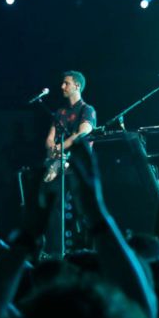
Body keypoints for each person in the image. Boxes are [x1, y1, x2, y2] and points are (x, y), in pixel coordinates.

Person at [41, 71, 96, 255]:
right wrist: (52, 147)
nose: (62, 87)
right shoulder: (60, 112)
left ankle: (89, 250)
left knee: (83, 210)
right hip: (60, 168)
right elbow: (50, 137)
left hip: (78, 168)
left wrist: (61, 146)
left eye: (66, 83)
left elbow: (83, 132)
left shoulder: (87, 109)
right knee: (54, 208)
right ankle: (56, 251)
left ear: (77, 86)